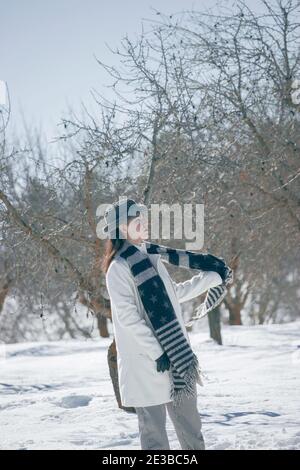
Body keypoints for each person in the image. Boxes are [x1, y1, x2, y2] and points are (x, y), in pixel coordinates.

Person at [102, 199, 224, 450]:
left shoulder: (151, 256)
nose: (144, 224)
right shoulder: (119, 268)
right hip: (148, 363)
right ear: (122, 228)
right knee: (154, 437)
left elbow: (171, 294)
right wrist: (159, 353)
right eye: (138, 221)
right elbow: (128, 319)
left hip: (177, 358)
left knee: (192, 431)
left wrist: (209, 280)